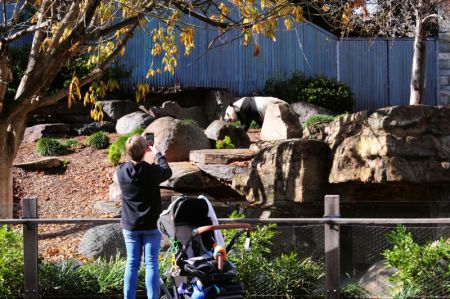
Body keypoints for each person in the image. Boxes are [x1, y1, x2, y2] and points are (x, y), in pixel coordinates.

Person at [116, 134, 172, 299]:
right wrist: (157, 154)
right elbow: (167, 171)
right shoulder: (152, 171)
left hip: (130, 226)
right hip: (151, 225)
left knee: (132, 264)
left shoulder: (120, 171)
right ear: (146, 149)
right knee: (151, 264)